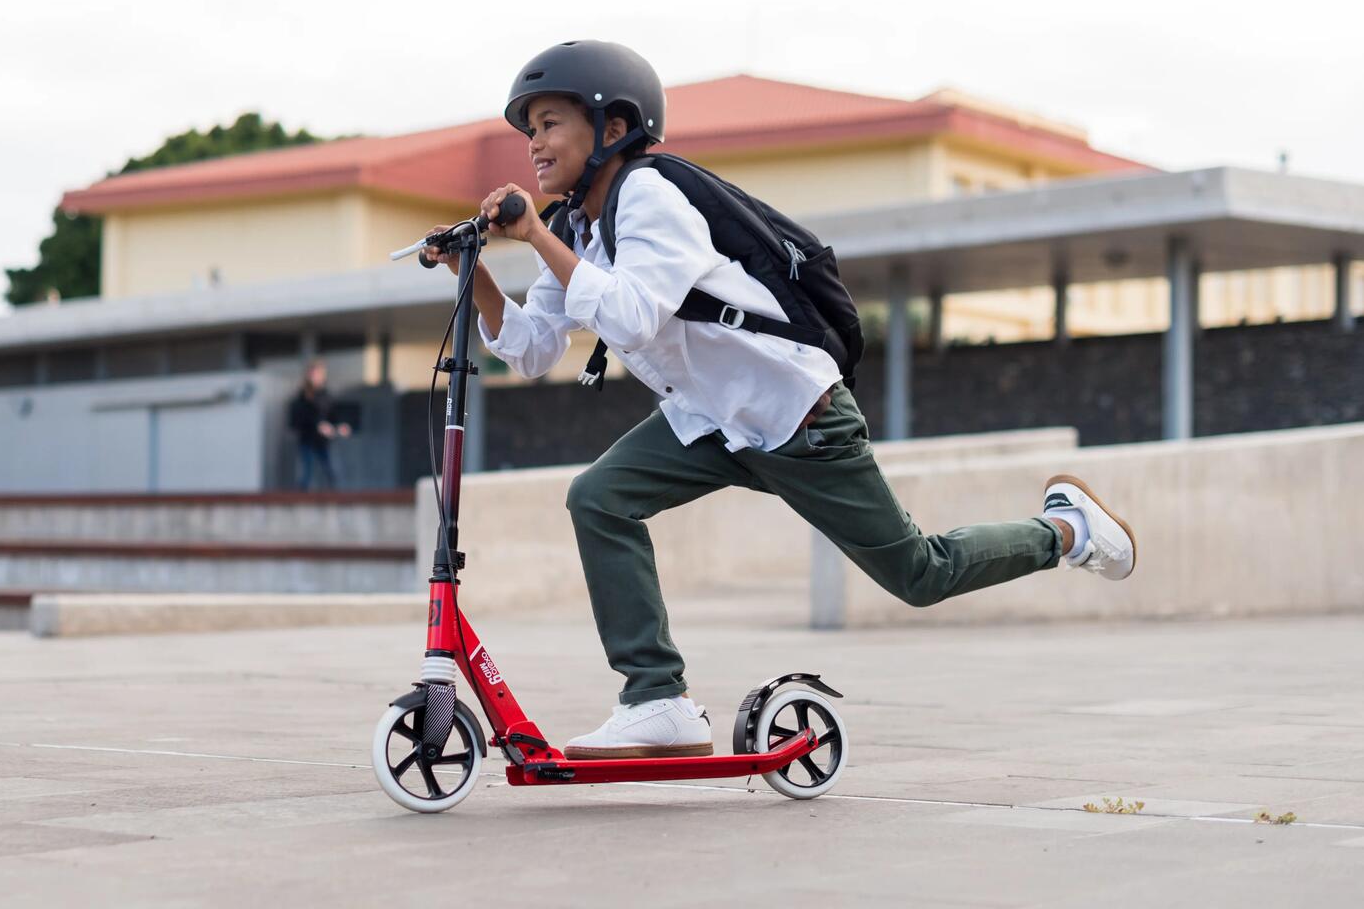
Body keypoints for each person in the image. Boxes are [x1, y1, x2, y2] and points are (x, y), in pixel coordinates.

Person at [421, 41, 1137, 761]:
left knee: (921, 575)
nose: (534, 146)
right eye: (528, 131)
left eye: (548, 124)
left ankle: (1066, 531)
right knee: (599, 498)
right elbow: (535, 348)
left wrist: (536, 235)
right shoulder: (578, 225)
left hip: (797, 417)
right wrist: (472, 269)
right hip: (711, 421)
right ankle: (658, 701)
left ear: (612, 128)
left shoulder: (649, 195)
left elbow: (632, 316)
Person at [288, 359, 351, 490]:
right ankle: (302, 503)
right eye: (314, 374)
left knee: (333, 473)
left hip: (323, 442)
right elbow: (297, 420)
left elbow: (333, 415)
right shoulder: (302, 396)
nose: (316, 377)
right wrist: (318, 425)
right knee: (306, 475)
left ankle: (335, 504)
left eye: (319, 374)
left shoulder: (326, 395)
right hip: (307, 440)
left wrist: (338, 426)